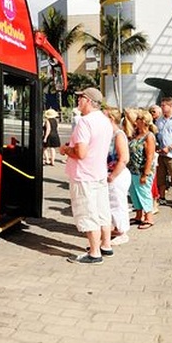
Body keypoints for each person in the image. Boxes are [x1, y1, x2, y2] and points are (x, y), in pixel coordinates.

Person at [60, 87, 112, 264]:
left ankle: (95, 252)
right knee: (102, 211)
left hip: (83, 174)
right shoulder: (105, 121)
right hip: (99, 172)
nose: (78, 101)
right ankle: (106, 244)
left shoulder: (84, 122)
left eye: (80, 98)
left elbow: (81, 153)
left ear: (88, 101)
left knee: (88, 213)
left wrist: (66, 149)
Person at [106, 108, 131, 245]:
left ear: (111, 119)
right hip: (111, 173)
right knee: (111, 203)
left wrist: (113, 175)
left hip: (117, 174)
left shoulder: (118, 135)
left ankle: (122, 231)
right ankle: (116, 228)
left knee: (118, 203)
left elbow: (123, 158)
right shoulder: (110, 134)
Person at [128, 109, 157, 229]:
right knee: (134, 193)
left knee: (144, 193)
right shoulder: (136, 134)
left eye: (138, 119)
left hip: (142, 171)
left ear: (144, 121)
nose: (136, 121)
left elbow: (150, 156)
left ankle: (149, 217)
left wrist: (145, 174)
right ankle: (138, 215)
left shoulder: (149, 136)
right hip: (132, 169)